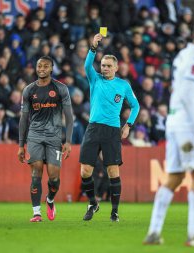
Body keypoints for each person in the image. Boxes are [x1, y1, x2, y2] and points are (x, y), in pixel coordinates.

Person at [143, 19, 194, 247]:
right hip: (190, 123)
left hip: (175, 120)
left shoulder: (184, 55)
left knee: (176, 176)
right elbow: (189, 92)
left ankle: (154, 232)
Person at [79, 33, 140, 222]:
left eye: (107, 66)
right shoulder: (94, 79)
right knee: (85, 171)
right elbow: (87, 65)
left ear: (116, 67)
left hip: (112, 131)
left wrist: (128, 125)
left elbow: (136, 106)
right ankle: (92, 203)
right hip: (93, 128)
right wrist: (93, 46)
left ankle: (114, 211)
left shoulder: (123, 85)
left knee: (113, 171)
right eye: (103, 65)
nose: (104, 68)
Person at [18, 56, 74, 222]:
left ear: (51, 69)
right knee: (36, 172)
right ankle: (36, 213)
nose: (42, 68)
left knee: (54, 177)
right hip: (34, 136)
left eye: (45, 66)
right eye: (39, 66)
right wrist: (21, 145)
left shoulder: (61, 88)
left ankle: (50, 199)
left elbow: (69, 117)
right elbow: (24, 118)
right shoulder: (28, 90)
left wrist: (68, 141)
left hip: (54, 137)